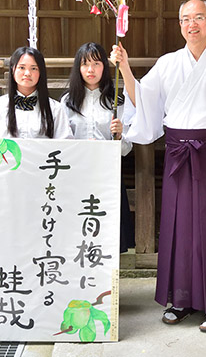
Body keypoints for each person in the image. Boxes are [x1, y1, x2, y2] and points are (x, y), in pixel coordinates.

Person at [110, 0, 206, 333]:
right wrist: (124, 68)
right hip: (179, 152)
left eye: (198, 18)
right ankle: (181, 300)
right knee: (179, 227)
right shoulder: (168, 64)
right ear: (180, 26)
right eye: (185, 19)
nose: (191, 24)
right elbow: (143, 101)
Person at [61, 42, 135, 253]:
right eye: (85, 64)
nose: (91, 70)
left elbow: (126, 149)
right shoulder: (67, 102)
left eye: (96, 63)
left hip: (107, 174)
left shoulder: (117, 101)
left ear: (105, 66)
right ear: (78, 68)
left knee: (107, 232)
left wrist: (119, 134)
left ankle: (108, 283)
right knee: (77, 230)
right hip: (76, 175)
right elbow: (61, 143)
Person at [0, 46, 73, 139]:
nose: (27, 73)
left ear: (41, 72)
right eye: (22, 68)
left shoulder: (55, 109)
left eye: (33, 68)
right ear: (12, 70)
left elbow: (65, 144)